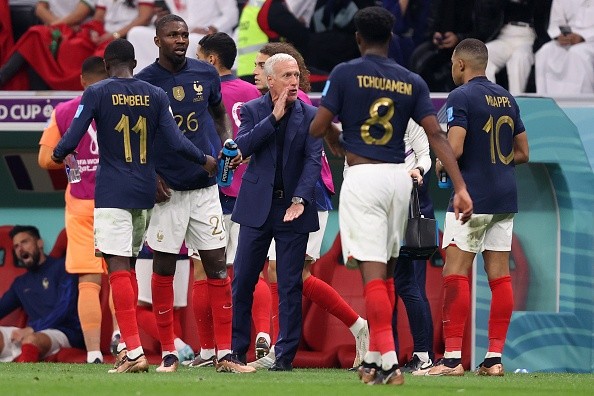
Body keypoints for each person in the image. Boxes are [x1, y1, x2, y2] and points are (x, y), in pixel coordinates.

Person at [310, 6, 473, 386]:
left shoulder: (345, 73)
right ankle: (377, 360)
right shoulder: (411, 81)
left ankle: (387, 362)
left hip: (364, 177)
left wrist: (336, 135)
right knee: (389, 274)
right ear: (392, 37)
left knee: (373, 273)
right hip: (400, 181)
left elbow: (319, 126)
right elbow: (435, 137)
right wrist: (461, 187)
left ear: (358, 37)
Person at [51, 38, 211, 373]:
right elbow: (177, 141)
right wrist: (205, 159)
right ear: (135, 64)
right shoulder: (155, 94)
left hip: (113, 192)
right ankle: (131, 347)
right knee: (131, 266)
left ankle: (134, 352)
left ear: (107, 66)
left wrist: (58, 153)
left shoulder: (96, 92)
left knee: (117, 268)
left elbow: (72, 137)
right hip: (144, 193)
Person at [134, 15, 253, 374]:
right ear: (157, 41)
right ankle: (169, 353)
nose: (181, 39)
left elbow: (218, 113)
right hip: (168, 189)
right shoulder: (145, 82)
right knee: (165, 266)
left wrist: (225, 142)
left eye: (184, 34)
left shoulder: (206, 74)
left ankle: (225, 354)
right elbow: (139, 137)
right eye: (173, 35)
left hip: (205, 188)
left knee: (217, 266)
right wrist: (149, 173)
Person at [247, 41, 369, 371]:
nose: (256, 72)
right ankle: (282, 342)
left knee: (287, 273)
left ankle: (357, 326)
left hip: (309, 199)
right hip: (282, 202)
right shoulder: (265, 105)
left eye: (261, 66)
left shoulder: (295, 104)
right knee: (280, 272)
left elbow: (310, 159)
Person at [425, 38, 529, 377]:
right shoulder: (507, 97)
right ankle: (494, 359)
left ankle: (452, 359)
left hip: (473, 197)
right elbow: (524, 152)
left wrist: (441, 165)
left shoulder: (461, 96)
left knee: (455, 271)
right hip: (505, 198)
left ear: (460, 65)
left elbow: (453, 149)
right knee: (499, 276)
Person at [231, 53, 323, 372]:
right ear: (271, 81)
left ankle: (284, 356)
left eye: (296, 75)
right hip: (257, 207)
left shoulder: (312, 115)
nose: (294, 81)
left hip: (293, 209)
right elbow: (243, 148)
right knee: (242, 280)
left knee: (288, 284)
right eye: (286, 76)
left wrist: (300, 198)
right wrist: (273, 118)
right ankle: (235, 352)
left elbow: (313, 161)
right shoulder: (252, 110)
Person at [190, 31, 262, 368]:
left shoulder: (199, 92)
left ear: (211, 59)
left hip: (212, 193)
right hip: (249, 194)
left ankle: (208, 350)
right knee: (249, 272)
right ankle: (263, 340)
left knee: (204, 271)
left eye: (200, 56)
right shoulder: (253, 92)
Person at [37, 55, 111, 364]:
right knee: (123, 276)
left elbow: (44, 160)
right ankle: (125, 347)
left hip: (81, 204)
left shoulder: (65, 111)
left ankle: (93, 353)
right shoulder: (121, 104)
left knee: (88, 282)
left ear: (82, 81)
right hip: (118, 200)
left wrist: (69, 158)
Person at [0, 225, 84, 363]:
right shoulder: (21, 283)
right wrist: (30, 330)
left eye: (25, 242)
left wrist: (32, 328)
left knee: (31, 339)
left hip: (65, 332)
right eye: (16, 246)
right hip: (31, 333)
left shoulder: (62, 267)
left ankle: (25, 378)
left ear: (39, 243)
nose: (20, 249)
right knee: (29, 338)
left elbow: (65, 308)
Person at [392, 120, 436, 374]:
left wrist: (418, 169)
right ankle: (383, 355)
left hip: (407, 208)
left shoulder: (410, 119)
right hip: (376, 207)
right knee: (381, 284)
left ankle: (423, 354)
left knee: (407, 283)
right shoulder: (363, 114)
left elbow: (425, 156)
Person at [127, 0, 239, 71]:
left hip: (208, 34)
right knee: (135, 33)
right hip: (181, 31)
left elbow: (231, 13)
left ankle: (184, 78)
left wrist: (211, 28)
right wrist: (161, 20)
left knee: (189, 42)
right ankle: (144, 82)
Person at [475, 0, 538, 95]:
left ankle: (516, 102)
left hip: (527, 37)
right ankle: (489, 101)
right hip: (504, 36)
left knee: (519, 58)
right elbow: (487, 12)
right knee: (484, 54)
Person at [534, 0, 594, 95]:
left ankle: (580, 102)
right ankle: (545, 100)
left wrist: (583, 37)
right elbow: (556, 23)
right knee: (544, 52)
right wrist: (561, 36)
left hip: (590, 41)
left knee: (577, 54)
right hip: (569, 38)